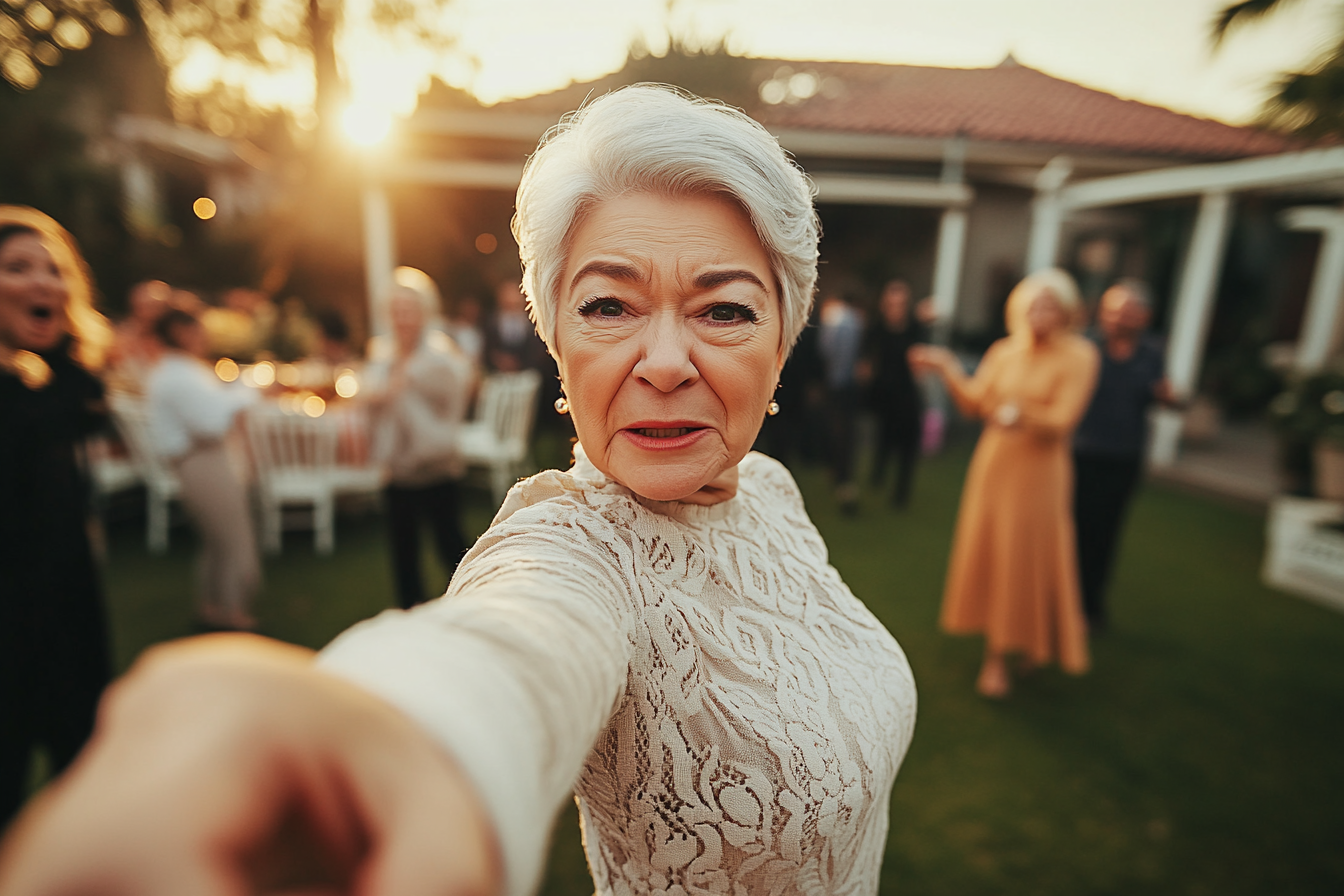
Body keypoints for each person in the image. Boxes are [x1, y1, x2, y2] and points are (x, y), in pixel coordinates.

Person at [0, 86, 917, 896]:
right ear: (555, 337)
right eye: (609, 305)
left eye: (724, 309)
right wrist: (388, 739)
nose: (667, 362)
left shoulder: (771, 488)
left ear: (782, 340)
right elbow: (509, 648)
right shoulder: (573, 550)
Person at [910, 268, 1099, 698]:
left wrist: (1020, 413)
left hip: (1041, 474)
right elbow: (976, 404)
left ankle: (1024, 647)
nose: (1040, 313)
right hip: (995, 467)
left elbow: (1062, 420)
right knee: (997, 551)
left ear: (1067, 311)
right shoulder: (1004, 351)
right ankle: (998, 654)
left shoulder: (1080, 355)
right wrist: (946, 367)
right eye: (1033, 304)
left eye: (1050, 305)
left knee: (1031, 554)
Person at [0, 206, 115, 829]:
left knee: (85, 781)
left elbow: (85, 403)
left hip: (70, 616)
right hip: (8, 629)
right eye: (18, 268)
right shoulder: (24, 398)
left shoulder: (53, 387)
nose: (44, 283)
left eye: (55, 270)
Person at [145, 306, 262, 631]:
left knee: (215, 541)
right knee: (233, 538)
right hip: (203, 461)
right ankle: (234, 615)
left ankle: (212, 609)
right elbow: (211, 423)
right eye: (199, 328)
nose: (205, 336)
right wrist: (246, 393)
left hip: (198, 461)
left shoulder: (181, 370)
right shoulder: (177, 375)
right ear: (183, 332)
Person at [364, 270, 474, 609]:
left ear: (424, 312)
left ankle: (473, 603)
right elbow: (368, 396)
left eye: (408, 310)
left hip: (436, 467)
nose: (402, 318)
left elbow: (456, 396)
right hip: (397, 470)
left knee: (451, 546)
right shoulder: (382, 355)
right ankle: (410, 614)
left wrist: (408, 381)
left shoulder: (440, 357)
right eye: (395, 311)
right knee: (403, 552)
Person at [1073, 280, 1172, 632]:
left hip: (1122, 458)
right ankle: (1058, 603)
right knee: (1069, 531)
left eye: (1126, 311)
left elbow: (1157, 395)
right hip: (1078, 453)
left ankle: (1090, 607)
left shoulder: (1152, 354)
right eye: (1111, 310)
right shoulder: (1084, 347)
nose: (1117, 317)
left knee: (1105, 533)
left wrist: (1170, 399)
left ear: (1143, 316)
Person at [859, 279, 928, 508]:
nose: (896, 308)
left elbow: (922, 360)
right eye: (892, 303)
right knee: (884, 439)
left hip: (908, 395)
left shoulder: (915, 329)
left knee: (907, 444)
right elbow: (865, 361)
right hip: (884, 395)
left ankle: (901, 494)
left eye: (900, 304)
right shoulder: (876, 329)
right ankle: (877, 476)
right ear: (884, 305)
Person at [816, 291, 864, 513]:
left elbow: (825, 350)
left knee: (834, 428)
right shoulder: (856, 321)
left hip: (833, 383)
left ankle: (836, 470)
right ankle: (842, 474)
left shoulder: (834, 320)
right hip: (850, 385)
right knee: (847, 430)